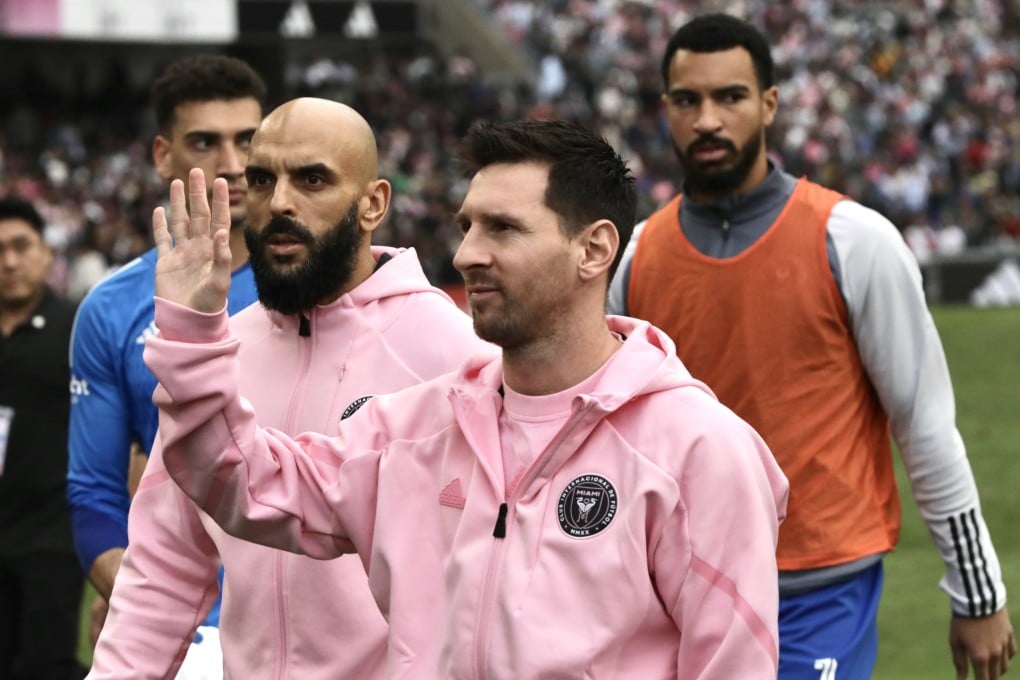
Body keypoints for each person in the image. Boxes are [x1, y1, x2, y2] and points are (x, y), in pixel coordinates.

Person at [142, 118, 789, 677]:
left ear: (593, 249)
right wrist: (194, 335)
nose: (467, 253)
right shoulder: (415, 430)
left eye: (502, 229)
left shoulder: (697, 448)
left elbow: (732, 665)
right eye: (467, 225)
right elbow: (240, 482)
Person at [606, 12, 1016, 680]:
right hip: (681, 590)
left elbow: (925, 421)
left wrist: (977, 592)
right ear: (665, 110)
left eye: (730, 97)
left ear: (769, 104)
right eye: (688, 100)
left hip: (820, 589)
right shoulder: (637, 257)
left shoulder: (854, 240)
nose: (708, 118)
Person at [88, 98, 488, 679]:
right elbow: (163, 563)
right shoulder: (218, 353)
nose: (279, 202)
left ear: (373, 202)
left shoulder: (456, 357)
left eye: (312, 179)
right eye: (261, 178)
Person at [66, 54, 267, 670]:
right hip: (192, 636)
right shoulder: (110, 309)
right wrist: (142, 604)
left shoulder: (329, 288)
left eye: (247, 141)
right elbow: (93, 493)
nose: (232, 163)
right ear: (162, 154)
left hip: (322, 627)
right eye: (205, 141)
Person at [0, 196, 85, 679]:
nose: (9, 262)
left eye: (20, 246)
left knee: (44, 665)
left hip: (51, 536)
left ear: (46, 254)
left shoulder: (75, 329)